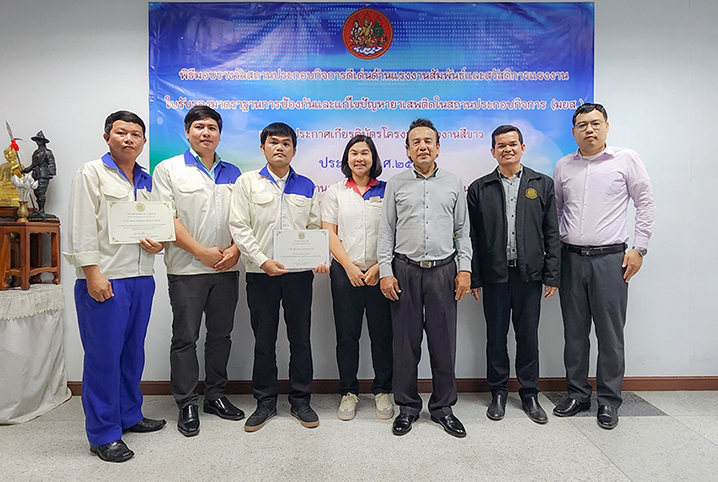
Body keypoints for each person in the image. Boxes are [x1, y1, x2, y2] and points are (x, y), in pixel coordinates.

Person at [65, 111, 166, 463]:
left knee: (131, 353)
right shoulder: (91, 173)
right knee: (103, 358)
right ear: (107, 136)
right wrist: (91, 272)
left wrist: (160, 243)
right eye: (121, 133)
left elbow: (155, 223)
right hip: (105, 279)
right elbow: (80, 226)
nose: (128, 139)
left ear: (143, 142)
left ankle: (129, 415)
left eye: (136, 134)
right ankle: (103, 434)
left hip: (142, 277)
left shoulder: (146, 179)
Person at [552, 103, 655, 429]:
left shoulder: (626, 159)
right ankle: (578, 394)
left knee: (610, 335)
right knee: (575, 333)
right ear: (574, 132)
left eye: (595, 124)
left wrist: (639, 248)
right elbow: (555, 213)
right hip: (571, 259)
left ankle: (609, 401)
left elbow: (646, 202)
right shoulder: (564, 166)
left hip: (612, 259)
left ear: (606, 127)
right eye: (582, 125)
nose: (589, 130)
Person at [230, 122, 328, 432]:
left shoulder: (307, 185)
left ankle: (301, 400)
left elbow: (314, 228)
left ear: (294, 150)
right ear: (262, 148)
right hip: (261, 274)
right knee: (264, 340)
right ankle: (265, 402)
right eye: (273, 143)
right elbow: (239, 228)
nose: (280, 148)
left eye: (286, 143)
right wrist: (262, 260)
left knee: (300, 339)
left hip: (298, 276)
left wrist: (317, 256)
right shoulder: (247, 183)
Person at [377, 118, 472, 438]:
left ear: (438, 147)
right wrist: (386, 272)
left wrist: (464, 269)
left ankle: (443, 408)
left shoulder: (454, 183)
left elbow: (463, 231)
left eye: (428, 141)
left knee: (443, 342)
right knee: (405, 344)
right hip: (404, 270)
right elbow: (386, 231)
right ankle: (406, 407)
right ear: (407, 149)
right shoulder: (396, 183)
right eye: (415, 142)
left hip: (444, 271)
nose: (422, 146)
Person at [152, 106, 244, 437]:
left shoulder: (234, 172)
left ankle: (215, 396)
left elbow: (242, 219)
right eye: (198, 127)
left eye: (212, 128)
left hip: (226, 267)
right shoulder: (169, 169)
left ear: (220, 134)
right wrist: (201, 251)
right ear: (187, 132)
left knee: (221, 335)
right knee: (185, 338)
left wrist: (235, 249)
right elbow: (167, 217)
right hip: (186, 268)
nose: (205, 132)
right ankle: (187, 402)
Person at [467, 125, 560, 424]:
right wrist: (475, 277)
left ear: (522, 147)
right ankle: (498, 392)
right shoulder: (480, 188)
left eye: (512, 144)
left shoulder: (541, 184)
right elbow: (472, 237)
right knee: (495, 337)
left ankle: (530, 392)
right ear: (492, 151)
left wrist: (552, 275)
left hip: (529, 276)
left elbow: (552, 233)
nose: (507, 149)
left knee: (528, 336)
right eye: (500, 145)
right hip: (494, 277)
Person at [321, 135, 394, 421]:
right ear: (347, 158)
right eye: (354, 153)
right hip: (344, 272)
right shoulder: (335, 192)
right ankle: (348, 392)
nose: (360, 158)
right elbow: (329, 231)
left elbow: (394, 231)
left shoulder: (388, 190)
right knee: (347, 335)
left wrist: (379, 266)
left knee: (382, 335)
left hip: (380, 272)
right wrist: (349, 267)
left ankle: (382, 390)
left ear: (374, 158)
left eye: (365, 153)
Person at [23, 130, 57, 216]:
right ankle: (39, 209)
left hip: (43, 175)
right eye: (37, 140)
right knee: (36, 192)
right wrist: (26, 170)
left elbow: (51, 163)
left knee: (41, 192)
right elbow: (33, 165)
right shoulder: (35, 153)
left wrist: (50, 173)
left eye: (39, 140)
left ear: (43, 141)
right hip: (36, 174)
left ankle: (42, 210)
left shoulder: (47, 152)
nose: (38, 142)